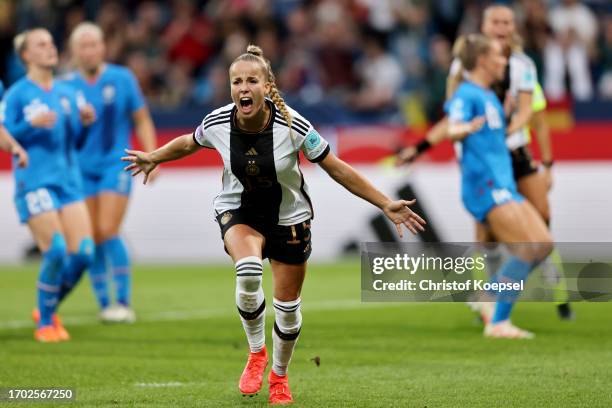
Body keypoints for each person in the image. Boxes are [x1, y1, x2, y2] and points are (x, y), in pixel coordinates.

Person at [122, 45, 426, 404]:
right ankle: (256, 353)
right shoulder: (219, 122)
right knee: (248, 270)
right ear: (230, 87)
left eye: (252, 80)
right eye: (237, 81)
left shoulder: (294, 125)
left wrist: (384, 202)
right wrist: (154, 157)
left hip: (289, 218)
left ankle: (279, 376)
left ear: (268, 87)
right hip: (239, 211)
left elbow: (337, 168)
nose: (244, 88)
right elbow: (189, 143)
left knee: (288, 309)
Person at [398, 4, 572, 320]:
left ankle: (552, 295)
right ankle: (490, 306)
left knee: (542, 220)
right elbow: (454, 118)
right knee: (488, 237)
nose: (502, 27)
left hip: (514, 154)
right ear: (484, 26)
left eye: (508, 21)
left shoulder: (521, 65)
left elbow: (528, 113)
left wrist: (518, 142)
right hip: (483, 161)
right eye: (496, 21)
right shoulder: (464, 74)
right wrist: (422, 145)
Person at [445, 34, 553, 338]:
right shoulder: (466, 95)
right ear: (482, 60)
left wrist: (504, 116)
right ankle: (499, 322)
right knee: (525, 249)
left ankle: (488, 295)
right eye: (498, 56)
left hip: (504, 184)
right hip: (485, 186)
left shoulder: (490, 96)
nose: (504, 60)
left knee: (543, 244)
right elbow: (453, 128)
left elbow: (494, 137)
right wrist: (464, 128)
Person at [2, 28, 95, 342]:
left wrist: (84, 124)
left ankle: (48, 305)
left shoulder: (67, 92)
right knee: (55, 250)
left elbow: (77, 143)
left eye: (52, 43)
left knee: (83, 254)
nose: (50, 48)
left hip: (68, 183)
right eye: (41, 44)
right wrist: (29, 125)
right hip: (35, 182)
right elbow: (6, 136)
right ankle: (45, 323)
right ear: (26, 55)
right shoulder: (17, 94)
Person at [63, 22, 158, 323]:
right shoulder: (66, 87)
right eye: (83, 46)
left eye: (94, 45)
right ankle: (106, 304)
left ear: (103, 47)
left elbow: (141, 119)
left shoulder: (121, 78)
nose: (89, 51)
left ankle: (123, 302)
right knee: (90, 236)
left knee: (107, 229)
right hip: (80, 168)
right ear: (74, 52)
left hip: (116, 164)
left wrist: (152, 155)